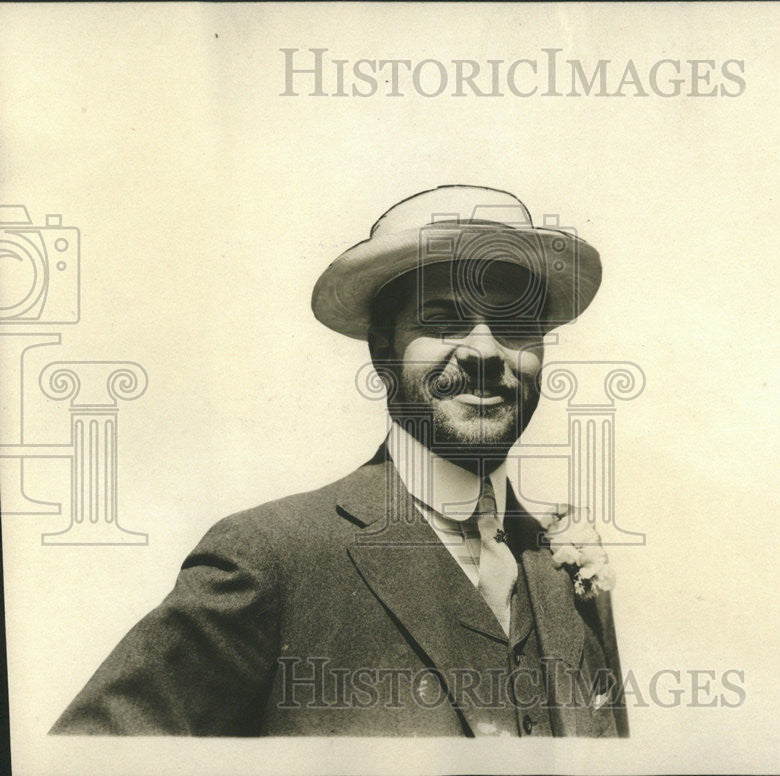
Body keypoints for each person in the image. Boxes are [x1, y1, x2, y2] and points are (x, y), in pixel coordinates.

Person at [51, 185, 627, 737]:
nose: (483, 350)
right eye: (444, 320)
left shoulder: (564, 565)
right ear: (382, 349)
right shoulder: (271, 556)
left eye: (514, 325)